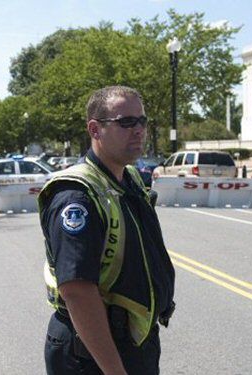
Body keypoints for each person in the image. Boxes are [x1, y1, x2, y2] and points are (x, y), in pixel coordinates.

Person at [38, 86, 175, 374]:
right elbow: (77, 290)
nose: (138, 130)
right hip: (91, 354)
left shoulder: (129, 178)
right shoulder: (77, 196)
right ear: (95, 129)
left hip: (132, 343)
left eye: (142, 121)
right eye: (126, 122)